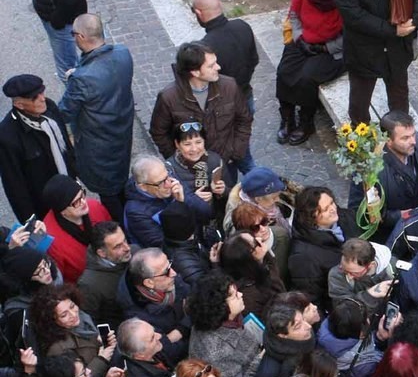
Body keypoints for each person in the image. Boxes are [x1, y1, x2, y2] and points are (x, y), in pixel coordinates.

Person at [57, 13, 134, 219]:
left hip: (98, 146)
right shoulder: (123, 53)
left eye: (74, 34)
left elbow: (64, 111)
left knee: (108, 194)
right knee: (121, 184)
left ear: (80, 37)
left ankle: (122, 229)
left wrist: (73, 77)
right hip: (122, 133)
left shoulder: (82, 79)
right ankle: (132, 217)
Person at [149, 41, 252, 170]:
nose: (218, 67)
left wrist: (235, 152)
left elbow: (244, 120)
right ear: (195, 72)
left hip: (224, 163)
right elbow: (158, 133)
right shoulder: (168, 97)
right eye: (211, 65)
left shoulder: (229, 86)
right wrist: (179, 159)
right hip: (190, 169)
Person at [276, 0, 344, 146]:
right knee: (285, 71)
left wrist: (325, 47)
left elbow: (348, 36)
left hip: (331, 50)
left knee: (307, 77)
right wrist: (299, 38)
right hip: (303, 40)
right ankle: (287, 118)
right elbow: (294, 15)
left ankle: (306, 122)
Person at [0, 74, 76, 223]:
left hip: (70, 190)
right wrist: (31, 221)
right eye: (35, 97)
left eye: (42, 92)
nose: (42, 98)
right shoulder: (7, 136)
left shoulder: (50, 107)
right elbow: (15, 186)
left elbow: (65, 146)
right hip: (46, 206)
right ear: (19, 104)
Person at [353, 110, 418, 237]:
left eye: (413, 135)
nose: (413, 141)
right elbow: (363, 213)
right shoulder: (370, 170)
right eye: (405, 138)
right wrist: (404, 215)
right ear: (388, 141)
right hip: (392, 234)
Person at [190, 0, 257, 145]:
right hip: (246, 97)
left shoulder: (205, 48)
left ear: (199, 12)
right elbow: (254, 60)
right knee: (241, 147)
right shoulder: (242, 26)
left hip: (223, 109)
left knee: (229, 153)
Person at [289, 185, 360, 312]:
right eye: (326, 209)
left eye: (332, 202)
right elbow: (312, 297)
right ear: (312, 216)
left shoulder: (343, 216)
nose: (333, 209)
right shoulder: (303, 257)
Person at [122, 155, 213, 250]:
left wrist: (185, 199)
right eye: (160, 183)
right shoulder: (136, 212)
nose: (168, 184)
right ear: (143, 187)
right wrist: (180, 206)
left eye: (167, 176)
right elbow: (165, 246)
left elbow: (206, 212)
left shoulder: (169, 178)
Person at [40, 175, 109, 284]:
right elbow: (59, 279)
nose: (83, 202)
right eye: (76, 202)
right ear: (62, 211)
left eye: (82, 195)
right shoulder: (53, 241)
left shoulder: (94, 206)